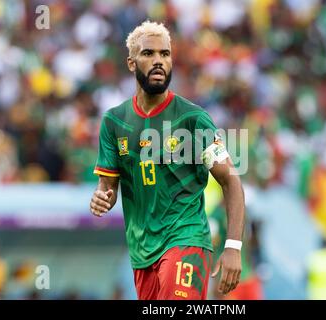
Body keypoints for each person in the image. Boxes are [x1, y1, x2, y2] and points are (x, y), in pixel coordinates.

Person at [89, 21, 245, 300]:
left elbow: (230, 180)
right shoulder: (114, 122)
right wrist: (101, 197)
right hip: (142, 251)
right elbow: (108, 186)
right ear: (131, 63)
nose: (158, 60)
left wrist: (233, 246)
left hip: (186, 239)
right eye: (148, 54)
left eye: (165, 54)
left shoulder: (192, 119)